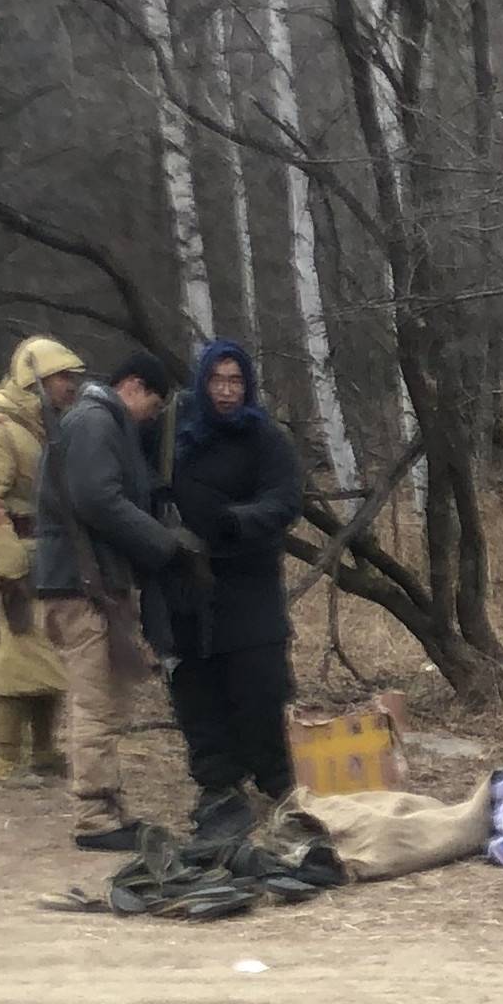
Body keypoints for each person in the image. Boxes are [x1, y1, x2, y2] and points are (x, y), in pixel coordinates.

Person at [33, 351, 201, 850]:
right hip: (80, 588)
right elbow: (97, 499)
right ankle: (94, 817)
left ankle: (109, 807)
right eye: (153, 402)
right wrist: (163, 544)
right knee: (95, 704)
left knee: (104, 701)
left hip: (88, 584)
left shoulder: (91, 421)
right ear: (133, 386)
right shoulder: (94, 423)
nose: (152, 415)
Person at [164, 340, 304, 843]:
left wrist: (236, 522)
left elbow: (286, 499)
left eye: (235, 381)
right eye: (217, 380)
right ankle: (218, 783)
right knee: (197, 687)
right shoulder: (176, 435)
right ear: (202, 383)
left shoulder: (266, 438)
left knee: (260, 685)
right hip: (186, 582)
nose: (226, 391)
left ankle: (277, 778)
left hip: (249, 579)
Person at [0, 337, 84, 787]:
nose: (71, 385)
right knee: (14, 660)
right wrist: (8, 565)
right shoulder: (0, 429)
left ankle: (44, 752)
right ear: (36, 380)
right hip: (10, 561)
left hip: (42, 555)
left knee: (46, 657)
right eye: (62, 377)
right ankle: (9, 761)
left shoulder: (42, 423)